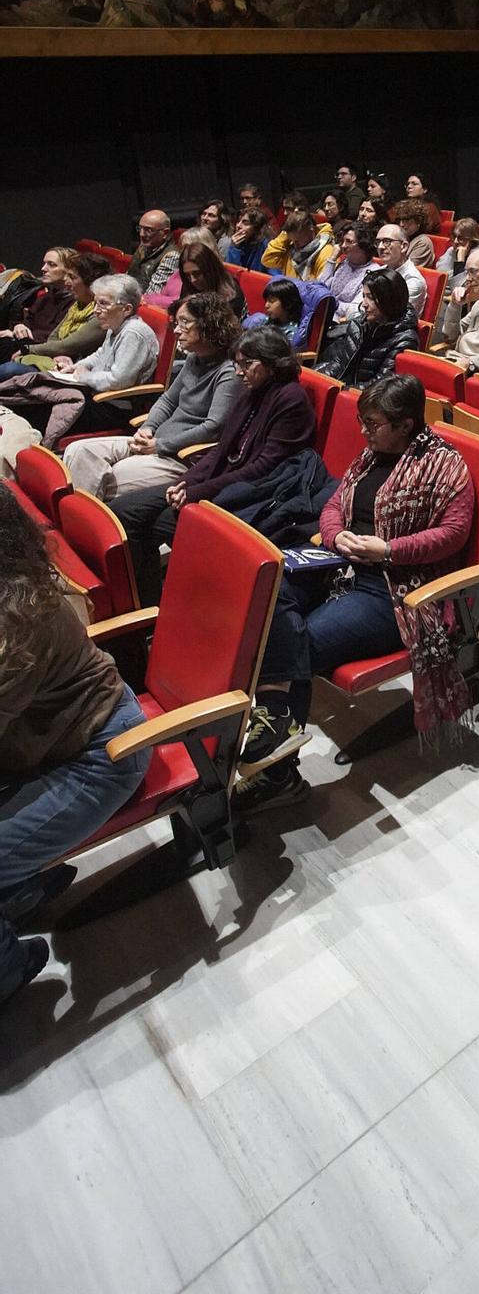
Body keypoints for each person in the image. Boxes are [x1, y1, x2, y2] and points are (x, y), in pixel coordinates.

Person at [235, 373, 477, 809]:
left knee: (297, 643)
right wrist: (335, 535)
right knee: (267, 591)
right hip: (340, 565)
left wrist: (389, 549)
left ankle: (277, 769)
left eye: (374, 424)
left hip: (395, 588)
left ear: (406, 425)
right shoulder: (371, 456)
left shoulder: (445, 465)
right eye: (362, 423)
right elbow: (333, 503)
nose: (363, 432)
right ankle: (277, 730)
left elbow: (454, 534)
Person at [0, 486, 151, 1007]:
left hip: (100, 752)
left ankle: (9, 971)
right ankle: (20, 892)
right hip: (45, 741)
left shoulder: (13, 619)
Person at [113, 328, 315, 603]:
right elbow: (222, 450)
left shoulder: (291, 400)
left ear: (272, 362)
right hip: (220, 481)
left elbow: (263, 469)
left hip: (253, 492)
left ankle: (165, 605)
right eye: (236, 363)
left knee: (161, 524)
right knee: (125, 511)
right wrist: (187, 481)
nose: (239, 372)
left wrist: (198, 491)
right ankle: (144, 601)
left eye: (246, 364)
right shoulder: (251, 391)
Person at [64, 293, 240, 499]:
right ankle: (77, 519)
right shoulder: (194, 359)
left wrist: (160, 445)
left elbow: (213, 427)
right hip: (154, 442)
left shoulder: (228, 372)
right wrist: (148, 428)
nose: (176, 330)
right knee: (78, 451)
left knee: (110, 476)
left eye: (185, 323)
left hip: (180, 456)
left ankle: (85, 524)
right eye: (177, 323)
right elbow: (167, 400)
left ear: (209, 324)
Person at [0, 274, 159, 447]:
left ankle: (25, 454)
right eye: (96, 303)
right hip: (93, 394)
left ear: (126, 309)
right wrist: (76, 367)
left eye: (104, 304)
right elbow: (99, 355)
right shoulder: (116, 325)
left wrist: (83, 376)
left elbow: (118, 380)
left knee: (28, 405)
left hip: (112, 407)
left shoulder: (133, 333)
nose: (96, 310)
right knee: (23, 394)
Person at [0, 249, 106, 378]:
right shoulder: (77, 305)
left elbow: (67, 346)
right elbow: (54, 336)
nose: (67, 282)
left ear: (90, 282)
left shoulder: (100, 312)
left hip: (72, 367)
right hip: (52, 356)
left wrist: (27, 349)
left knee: (9, 367)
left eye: (72, 277)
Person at [317, 267, 417, 385]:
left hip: (363, 399)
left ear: (389, 299)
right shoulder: (358, 325)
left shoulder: (404, 341)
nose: (364, 304)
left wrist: (342, 393)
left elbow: (381, 386)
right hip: (343, 389)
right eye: (364, 296)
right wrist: (315, 378)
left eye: (371, 298)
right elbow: (338, 364)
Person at [0, 244, 75, 362]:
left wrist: (18, 335)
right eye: (44, 263)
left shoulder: (73, 301)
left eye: (52, 265)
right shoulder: (47, 294)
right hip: (25, 341)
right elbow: (29, 319)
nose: (43, 269)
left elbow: (56, 335)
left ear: (69, 270)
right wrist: (19, 326)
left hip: (42, 348)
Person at [144, 237, 247, 318]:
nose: (193, 280)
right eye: (188, 275)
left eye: (197, 273)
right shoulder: (189, 283)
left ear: (209, 269)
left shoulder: (231, 296)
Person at [262, 206, 338, 282]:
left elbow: (323, 287)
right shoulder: (290, 246)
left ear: (310, 230)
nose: (295, 245)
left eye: (297, 241)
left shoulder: (326, 252)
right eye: (291, 240)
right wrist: (285, 235)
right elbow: (268, 260)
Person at [321, 220, 376, 324]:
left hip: (342, 324)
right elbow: (321, 285)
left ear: (363, 245)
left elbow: (356, 309)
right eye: (343, 241)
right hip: (324, 313)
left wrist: (329, 301)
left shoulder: (372, 272)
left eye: (349, 242)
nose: (343, 246)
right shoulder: (345, 263)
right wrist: (332, 259)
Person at [372, 223, 428, 320]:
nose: (380, 247)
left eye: (387, 241)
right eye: (378, 242)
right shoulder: (378, 271)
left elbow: (393, 317)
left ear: (404, 246)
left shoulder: (413, 281)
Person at [127, 209, 180, 294]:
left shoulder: (172, 256)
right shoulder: (143, 247)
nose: (141, 234)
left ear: (165, 233)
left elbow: (153, 293)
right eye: (140, 228)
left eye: (149, 230)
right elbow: (129, 276)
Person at [226, 205, 272, 272]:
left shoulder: (266, 246)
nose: (238, 226)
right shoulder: (237, 244)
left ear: (256, 227)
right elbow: (233, 272)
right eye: (238, 221)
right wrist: (234, 248)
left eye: (245, 223)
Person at [395, 199, 437, 269]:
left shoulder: (423, 242)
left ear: (418, 222)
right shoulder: (402, 238)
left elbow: (407, 271)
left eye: (406, 220)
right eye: (400, 220)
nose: (401, 224)